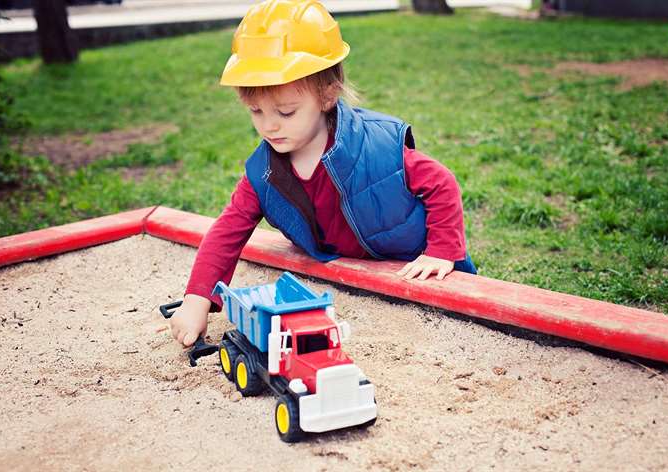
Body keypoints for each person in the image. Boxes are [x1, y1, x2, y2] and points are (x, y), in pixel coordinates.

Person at [170, 0, 476, 347]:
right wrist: (197, 298)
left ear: (327, 95)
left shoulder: (374, 145)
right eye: (256, 111)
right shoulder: (265, 173)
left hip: (419, 265)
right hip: (357, 279)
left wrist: (440, 251)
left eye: (286, 111)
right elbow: (228, 229)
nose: (269, 125)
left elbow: (441, 182)